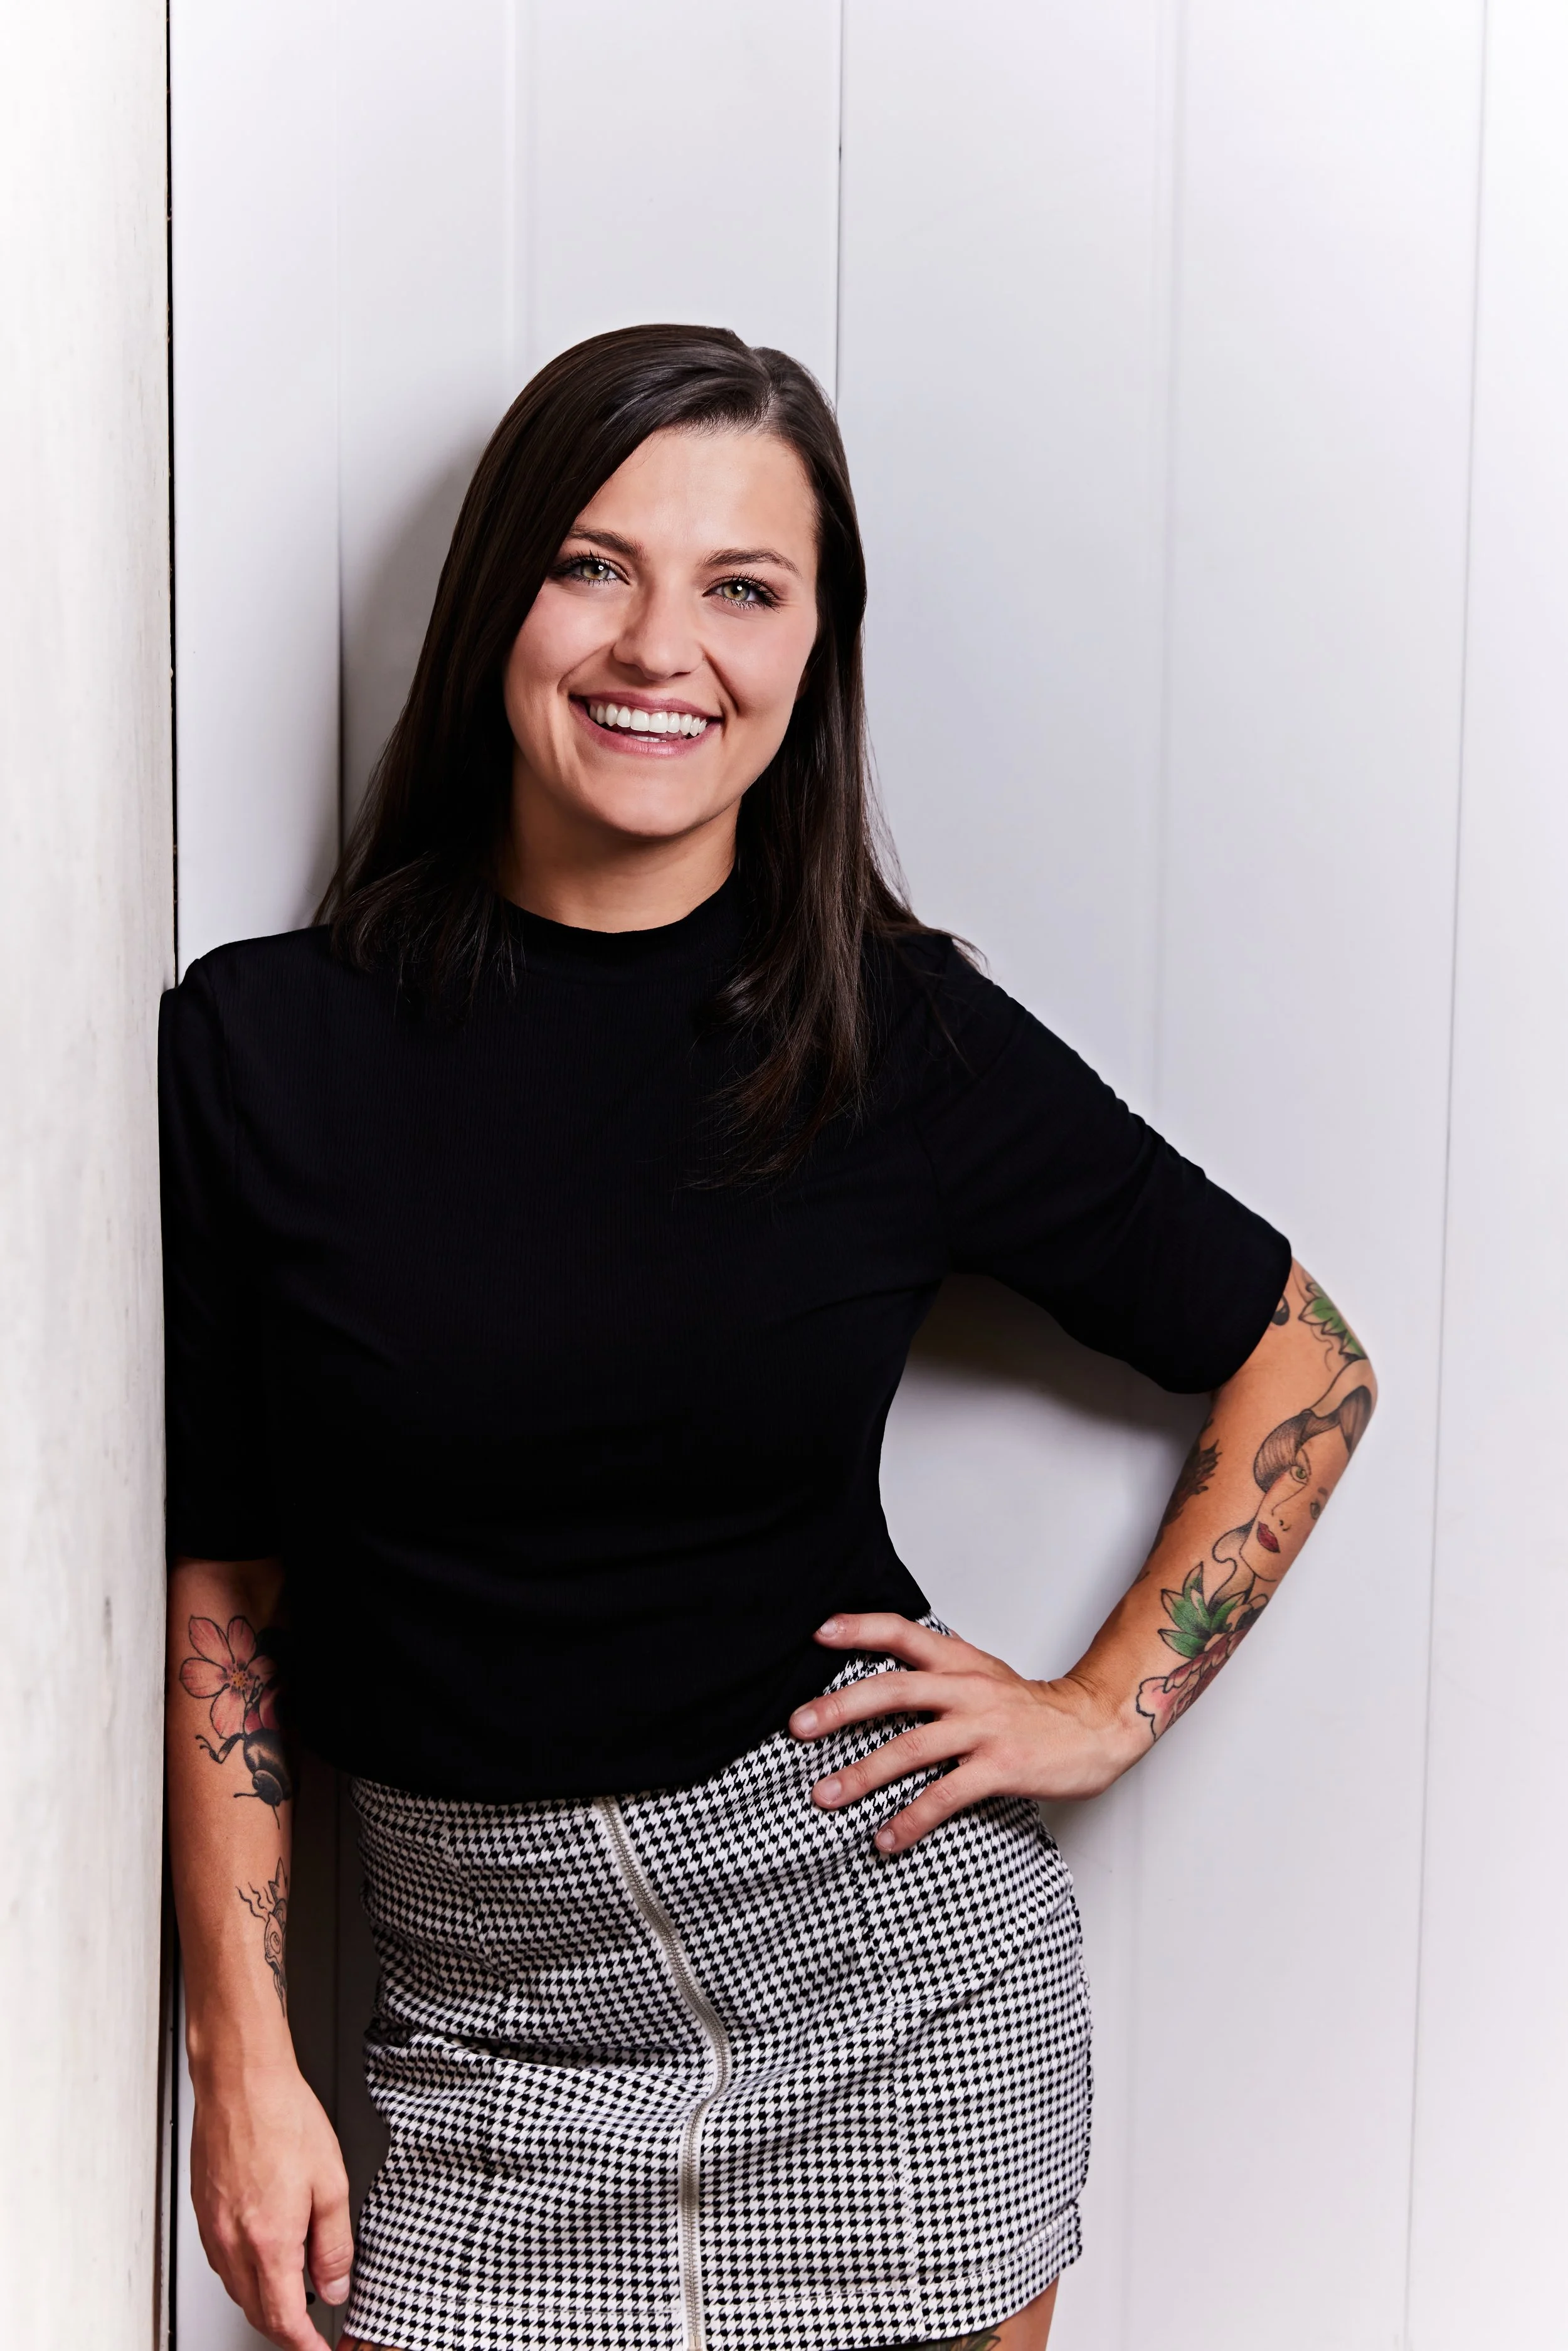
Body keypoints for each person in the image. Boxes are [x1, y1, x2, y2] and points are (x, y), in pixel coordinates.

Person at [161, 324, 1377, 2351]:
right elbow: (227, 1580)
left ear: (815, 649)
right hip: (483, 2028)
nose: (661, 648)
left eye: (742, 587)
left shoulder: (895, 1039)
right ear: (497, 598)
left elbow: (1303, 1358)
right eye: (592, 565)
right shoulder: (263, 1046)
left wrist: (1099, 1706)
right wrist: (244, 2051)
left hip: (885, 1976)